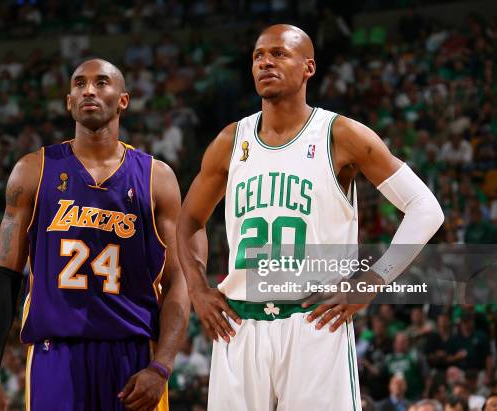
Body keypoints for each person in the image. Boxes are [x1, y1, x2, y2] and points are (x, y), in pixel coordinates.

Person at [177, 24, 443, 410]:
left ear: (309, 68)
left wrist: (371, 280)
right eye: (258, 56)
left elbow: (425, 208)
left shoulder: (341, 134)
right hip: (238, 326)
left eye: (279, 54)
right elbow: (188, 222)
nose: (265, 62)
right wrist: (197, 289)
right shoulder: (230, 141)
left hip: (314, 324)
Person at [0, 59, 190, 411]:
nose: (88, 89)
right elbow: (4, 275)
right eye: (79, 83)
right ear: (68, 101)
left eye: (102, 82)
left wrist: (161, 367)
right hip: (54, 353)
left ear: (123, 100)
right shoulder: (32, 171)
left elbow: (179, 279)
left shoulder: (157, 178)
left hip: (133, 356)